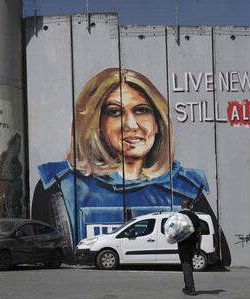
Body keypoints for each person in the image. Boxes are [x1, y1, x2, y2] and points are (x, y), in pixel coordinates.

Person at [32, 68, 209, 248]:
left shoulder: (186, 188)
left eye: (141, 110)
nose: (131, 125)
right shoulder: (60, 187)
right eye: (115, 112)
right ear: (96, 123)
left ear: (158, 122)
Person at [178, 199, 202, 296]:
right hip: (192, 244)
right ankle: (187, 287)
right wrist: (198, 247)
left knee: (186, 264)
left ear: (181, 206)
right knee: (188, 264)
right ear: (190, 206)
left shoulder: (178, 216)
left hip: (183, 244)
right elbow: (199, 233)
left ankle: (191, 288)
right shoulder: (195, 216)